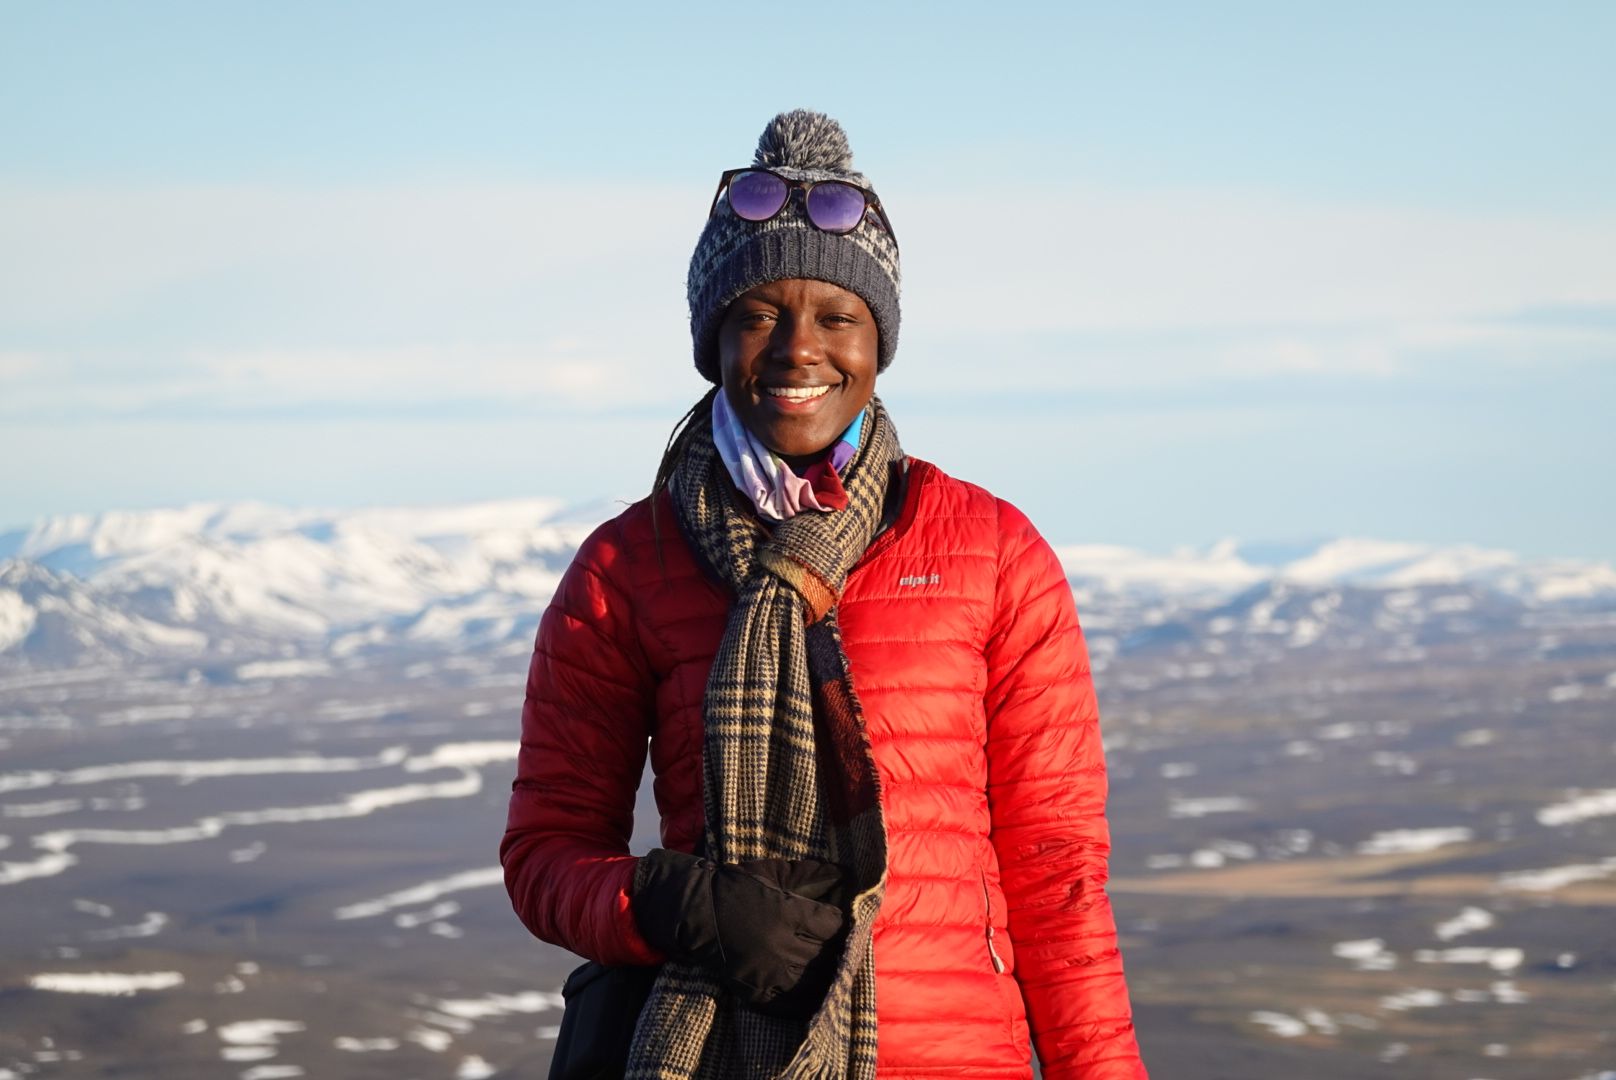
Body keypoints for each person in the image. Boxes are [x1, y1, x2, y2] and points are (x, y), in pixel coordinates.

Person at [502, 109, 1147, 1079]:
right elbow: (546, 855)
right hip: (719, 1049)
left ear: (876, 342)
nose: (798, 349)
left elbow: (1058, 878)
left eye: (837, 317)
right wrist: (681, 907)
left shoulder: (989, 551)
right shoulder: (627, 567)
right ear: (714, 337)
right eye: (759, 313)